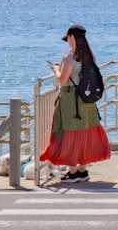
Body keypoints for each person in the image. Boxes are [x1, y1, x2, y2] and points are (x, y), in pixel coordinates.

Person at [40, 24, 112, 183]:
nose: (67, 42)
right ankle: (82, 170)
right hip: (86, 100)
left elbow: (63, 80)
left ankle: (72, 172)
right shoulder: (88, 55)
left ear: (72, 38)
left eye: (68, 39)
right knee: (83, 133)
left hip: (71, 99)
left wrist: (56, 69)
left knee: (70, 133)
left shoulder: (70, 58)